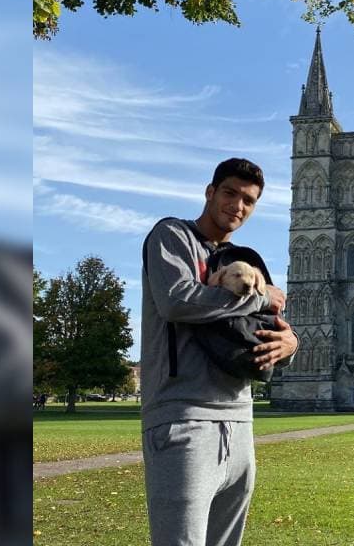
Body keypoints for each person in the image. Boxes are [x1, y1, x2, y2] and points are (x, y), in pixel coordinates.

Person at [139, 158, 298, 546]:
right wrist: (257, 297)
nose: (237, 206)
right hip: (184, 417)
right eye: (229, 193)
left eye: (249, 200)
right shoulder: (172, 235)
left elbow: (264, 327)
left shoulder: (245, 260)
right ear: (210, 193)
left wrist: (292, 344)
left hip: (240, 423)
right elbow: (177, 300)